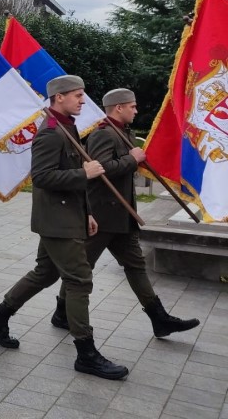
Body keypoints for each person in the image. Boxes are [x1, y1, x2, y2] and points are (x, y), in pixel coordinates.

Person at [0, 75, 129, 380]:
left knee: (45, 273)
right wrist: (83, 173)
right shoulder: (49, 132)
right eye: (77, 95)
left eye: (82, 95)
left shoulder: (67, 127)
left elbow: (71, 174)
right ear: (59, 98)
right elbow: (43, 177)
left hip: (67, 215)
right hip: (56, 220)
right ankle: (86, 353)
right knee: (79, 280)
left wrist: (87, 211)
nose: (83, 100)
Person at [50, 88, 200, 338]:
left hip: (122, 216)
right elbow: (100, 169)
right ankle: (61, 312)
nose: (136, 110)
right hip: (102, 216)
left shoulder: (122, 132)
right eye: (132, 106)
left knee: (135, 265)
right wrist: (132, 159)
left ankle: (159, 318)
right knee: (82, 269)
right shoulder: (104, 134)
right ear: (119, 107)